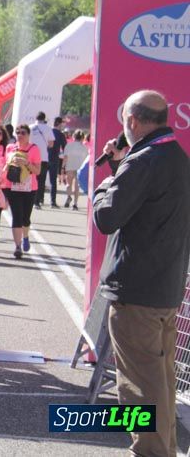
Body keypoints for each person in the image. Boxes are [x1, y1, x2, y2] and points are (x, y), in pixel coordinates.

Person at [92, 90, 190, 457]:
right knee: (160, 383)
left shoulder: (143, 161)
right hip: (165, 288)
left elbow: (107, 217)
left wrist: (107, 183)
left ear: (132, 121)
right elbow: (146, 207)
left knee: (138, 387)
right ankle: (163, 449)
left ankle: (150, 452)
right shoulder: (177, 157)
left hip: (137, 293)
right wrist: (121, 169)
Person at [4, 125, 42, 259]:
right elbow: (5, 167)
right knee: (17, 216)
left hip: (29, 188)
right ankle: (18, 246)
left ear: (28, 135)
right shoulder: (10, 148)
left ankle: (25, 237)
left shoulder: (34, 149)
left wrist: (26, 163)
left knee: (25, 218)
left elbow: (38, 171)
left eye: (23, 133)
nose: (20, 135)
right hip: (13, 186)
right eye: (18, 132)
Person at [29, 111, 54, 209]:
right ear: (44, 119)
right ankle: (37, 201)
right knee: (41, 180)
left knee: (30, 179)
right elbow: (51, 144)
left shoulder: (30, 127)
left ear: (36, 118)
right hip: (43, 157)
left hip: (30, 156)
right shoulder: (48, 128)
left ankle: (30, 199)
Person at [62, 130, 88, 210]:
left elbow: (65, 157)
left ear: (74, 136)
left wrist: (62, 167)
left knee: (68, 184)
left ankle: (69, 196)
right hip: (79, 168)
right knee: (77, 186)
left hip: (70, 167)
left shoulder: (69, 145)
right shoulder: (84, 147)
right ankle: (75, 204)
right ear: (82, 138)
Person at [48, 116, 67, 207]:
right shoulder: (60, 134)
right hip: (54, 158)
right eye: (62, 123)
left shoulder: (48, 132)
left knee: (40, 180)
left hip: (44, 158)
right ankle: (52, 201)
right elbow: (65, 148)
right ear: (59, 123)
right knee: (53, 181)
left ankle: (38, 201)